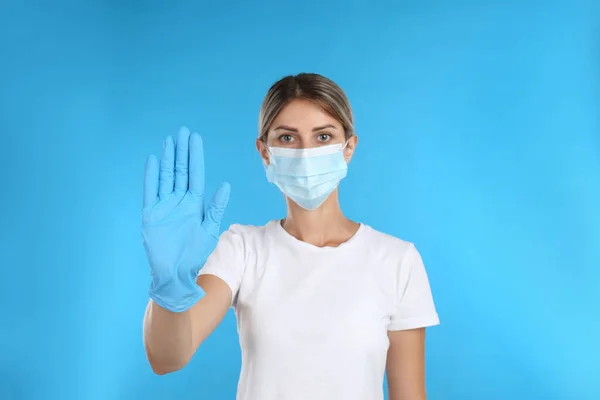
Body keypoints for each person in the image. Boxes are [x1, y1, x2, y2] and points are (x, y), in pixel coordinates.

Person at [141, 73, 440, 400]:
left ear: (348, 147)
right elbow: (167, 358)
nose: (306, 153)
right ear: (265, 152)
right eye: (287, 138)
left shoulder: (397, 260)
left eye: (323, 137)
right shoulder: (242, 249)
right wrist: (169, 285)